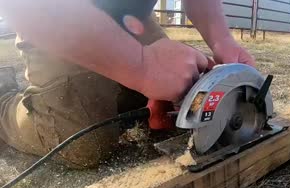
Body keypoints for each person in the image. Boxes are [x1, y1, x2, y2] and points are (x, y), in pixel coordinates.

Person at [0, 0, 255, 168]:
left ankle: (119, 91)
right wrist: (142, 67)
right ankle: (4, 103)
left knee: (180, 99)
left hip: (133, 17)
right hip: (59, 14)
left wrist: (221, 40)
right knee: (85, 143)